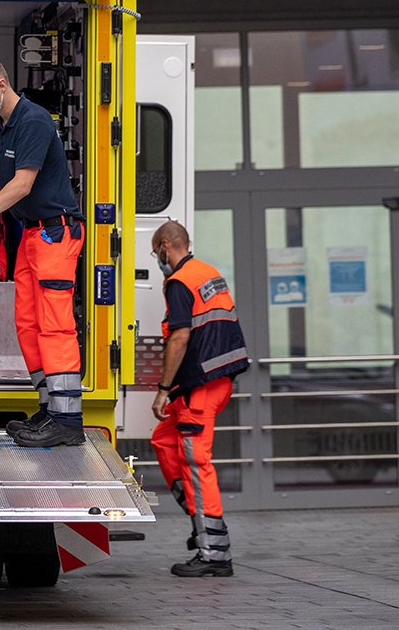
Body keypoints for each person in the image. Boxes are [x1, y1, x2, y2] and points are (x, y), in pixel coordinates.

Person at [0, 55, 85, 447]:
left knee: (54, 324)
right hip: (32, 235)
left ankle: (67, 420)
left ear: (1, 86)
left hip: (56, 233)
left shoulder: (34, 122)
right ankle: (50, 409)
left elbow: (22, 185)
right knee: (27, 323)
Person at [149, 221, 251, 577]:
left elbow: (179, 337)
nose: (158, 259)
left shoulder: (179, 281)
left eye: (156, 252)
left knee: (196, 462)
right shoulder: (208, 273)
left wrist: (162, 389)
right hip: (212, 380)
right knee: (164, 442)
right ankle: (200, 522)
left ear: (165, 245)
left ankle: (214, 553)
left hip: (200, 385)